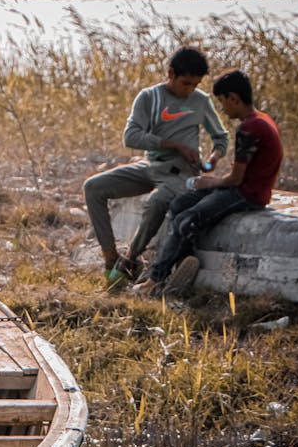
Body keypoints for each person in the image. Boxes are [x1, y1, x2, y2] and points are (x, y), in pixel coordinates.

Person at [131, 68, 283, 298]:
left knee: (185, 220)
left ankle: (154, 281)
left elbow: (236, 179)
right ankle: (183, 264)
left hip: (248, 194)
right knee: (179, 204)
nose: (222, 108)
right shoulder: (262, 119)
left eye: (223, 102)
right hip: (244, 187)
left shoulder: (249, 128)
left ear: (233, 98)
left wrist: (209, 183)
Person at [83, 46, 228, 285]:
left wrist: (213, 159)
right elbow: (131, 136)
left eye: (195, 84)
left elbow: (220, 137)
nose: (189, 89)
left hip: (181, 172)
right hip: (151, 165)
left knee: (157, 201)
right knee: (93, 187)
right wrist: (172, 144)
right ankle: (110, 257)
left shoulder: (201, 101)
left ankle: (130, 259)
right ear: (170, 73)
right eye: (185, 83)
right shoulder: (149, 97)